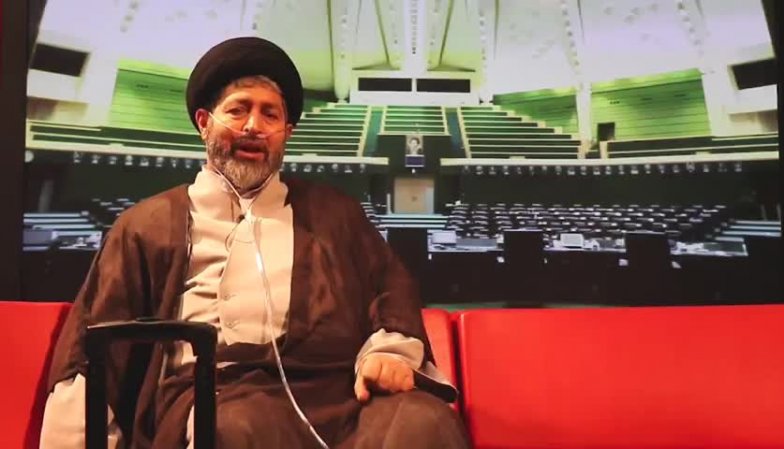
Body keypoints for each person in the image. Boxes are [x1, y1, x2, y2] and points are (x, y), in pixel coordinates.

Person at [39, 36, 469, 449]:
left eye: (270, 115)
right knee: (242, 427)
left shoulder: (336, 214)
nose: (253, 126)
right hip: (215, 395)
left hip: (341, 391)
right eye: (238, 110)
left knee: (422, 421)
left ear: (287, 132)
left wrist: (389, 354)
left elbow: (390, 293)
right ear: (204, 123)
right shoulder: (145, 225)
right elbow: (95, 348)